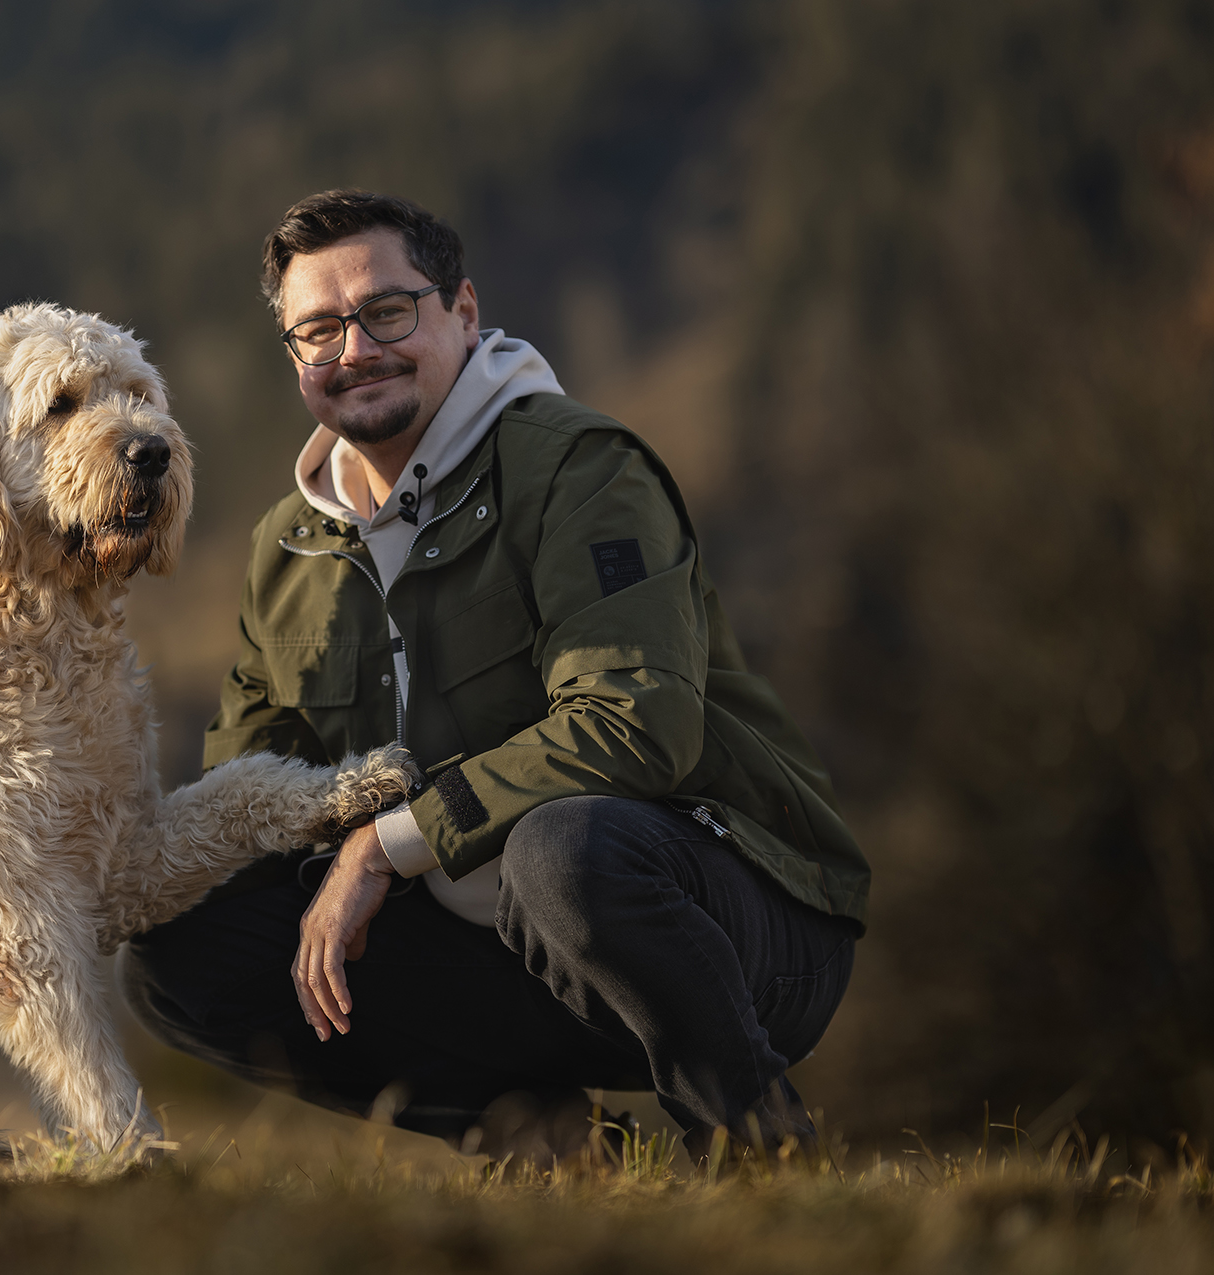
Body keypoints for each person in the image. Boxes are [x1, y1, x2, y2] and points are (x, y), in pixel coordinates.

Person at [122, 189, 869, 1159]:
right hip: (497, 961)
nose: (353, 350)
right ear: (294, 359)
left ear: (461, 313)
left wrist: (389, 841)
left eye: (386, 312)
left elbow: (634, 723)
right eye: (317, 331)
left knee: (560, 850)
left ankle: (748, 1138)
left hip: (726, 925)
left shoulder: (580, 471)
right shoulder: (288, 547)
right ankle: (533, 1133)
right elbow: (250, 791)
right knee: (180, 945)